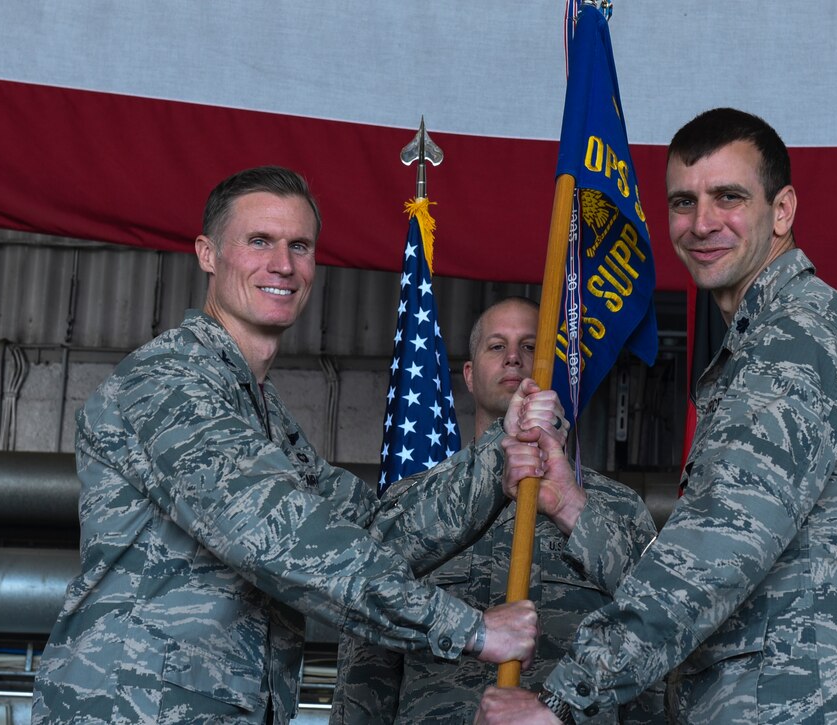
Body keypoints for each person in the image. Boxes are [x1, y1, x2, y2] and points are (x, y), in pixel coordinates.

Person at [31, 166, 544, 724]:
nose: (283, 265)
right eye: (259, 241)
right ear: (207, 254)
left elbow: (375, 528)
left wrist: (498, 455)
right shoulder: (168, 381)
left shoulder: (263, 414)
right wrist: (470, 628)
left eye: (299, 246)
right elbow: (282, 536)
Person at [477, 108, 837, 723]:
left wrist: (561, 701)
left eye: (729, 197)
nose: (702, 223)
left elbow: (717, 551)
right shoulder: (772, 338)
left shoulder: (797, 338)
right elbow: (727, 561)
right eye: (683, 203)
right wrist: (569, 506)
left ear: (783, 210)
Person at [330, 297, 665, 724]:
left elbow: (658, 631)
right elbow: (366, 644)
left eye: (530, 346)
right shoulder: (414, 507)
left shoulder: (614, 506)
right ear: (468, 375)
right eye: (496, 346)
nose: (513, 358)